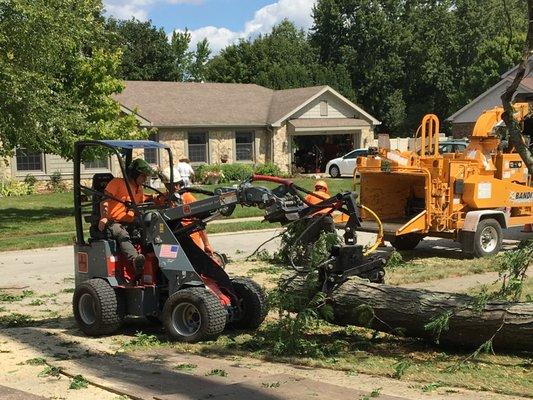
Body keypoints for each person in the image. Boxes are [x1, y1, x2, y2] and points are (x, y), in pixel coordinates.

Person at [98, 158, 155, 279]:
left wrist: (156, 198)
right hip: (113, 222)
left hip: (130, 221)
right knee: (121, 233)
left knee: (152, 227)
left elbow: (141, 201)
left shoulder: (139, 188)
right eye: (143, 176)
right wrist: (103, 218)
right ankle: (135, 261)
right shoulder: (117, 183)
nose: (145, 179)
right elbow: (104, 201)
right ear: (134, 174)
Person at [159, 169, 214, 256]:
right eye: (172, 185)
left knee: (196, 262)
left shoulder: (187, 197)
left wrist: (206, 244)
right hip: (171, 238)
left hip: (190, 237)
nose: (176, 187)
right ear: (166, 185)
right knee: (166, 260)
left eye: (177, 184)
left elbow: (199, 220)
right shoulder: (163, 199)